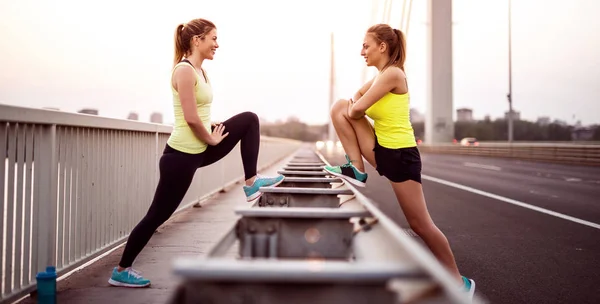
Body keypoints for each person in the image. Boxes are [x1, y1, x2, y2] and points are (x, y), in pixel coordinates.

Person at [108, 18, 284, 288]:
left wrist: (212, 126)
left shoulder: (201, 72)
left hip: (200, 148)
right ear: (196, 40)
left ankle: (252, 182)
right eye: (213, 38)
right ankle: (122, 270)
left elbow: (200, 114)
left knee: (249, 120)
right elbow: (189, 118)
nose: (217, 44)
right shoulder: (184, 71)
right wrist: (211, 140)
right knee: (157, 215)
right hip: (180, 156)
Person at [323, 24, 475, 299]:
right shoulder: (383, 74)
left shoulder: (393, 74)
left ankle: (459, 282)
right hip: (383, 150)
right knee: (337, 107)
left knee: (420, 224)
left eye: (366, 46)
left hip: (402, 156)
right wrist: (356, 104)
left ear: (382, 46)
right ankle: (355, 167)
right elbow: (353, 102)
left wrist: (356, 106)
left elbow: (356, 109)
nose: (361, 52)